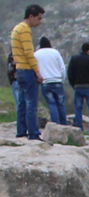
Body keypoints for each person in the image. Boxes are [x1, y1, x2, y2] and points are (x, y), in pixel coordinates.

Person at [8, 5, 43, 140]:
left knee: (22, 103)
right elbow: (29, 53)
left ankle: (21, 131)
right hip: (27, 69)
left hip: (19, 69)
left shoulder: (17, 28)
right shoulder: (25, 30)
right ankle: (33, 133)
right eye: (38, 18)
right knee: (31, 103)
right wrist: (37, 72)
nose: (40, 22)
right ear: (31, 16)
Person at [67, 41, 89, 132]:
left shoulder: (74, 59)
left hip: (78, 86)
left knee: (78, 107)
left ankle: (78, 126)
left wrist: (73, 84)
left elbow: (70, 73)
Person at [34, 36, 65, 126]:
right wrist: (62, 79)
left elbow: (35, 69)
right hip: (57, 80)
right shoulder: (55, 52)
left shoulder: (36, 54)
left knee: (52, 104)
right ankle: (64, 124)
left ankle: (55, 124)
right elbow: (62, 68)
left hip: (45, 82)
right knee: (61, 103)